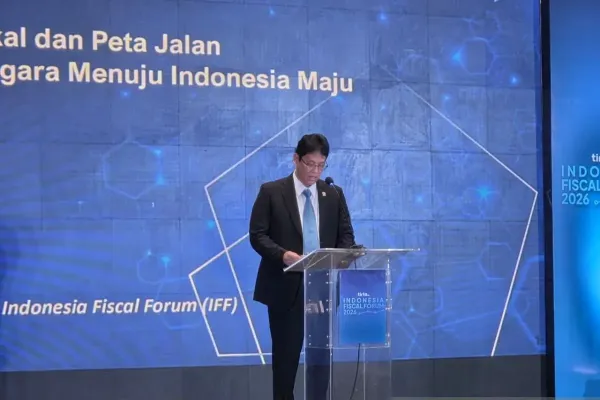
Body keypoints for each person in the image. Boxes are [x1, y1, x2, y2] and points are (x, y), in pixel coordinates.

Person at [249, 133, 356, 400]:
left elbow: (346, 236)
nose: (315, 171)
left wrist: (345, 256)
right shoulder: (272, 192)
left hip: (322, 290)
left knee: (321, 359)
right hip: (286, 289)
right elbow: (257, 235)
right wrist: (283, 255)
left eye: (321, 165)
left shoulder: (333, 194)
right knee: (285, 363)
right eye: (310, 164)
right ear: (296, 159)